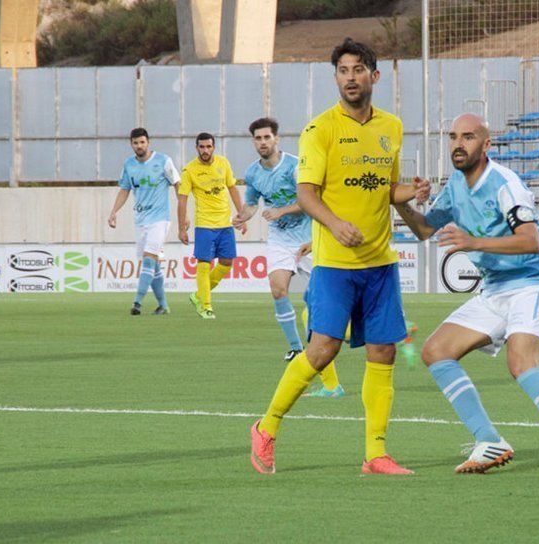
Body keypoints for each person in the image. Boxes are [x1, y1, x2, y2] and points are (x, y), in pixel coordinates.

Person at [249, 38, 430, 475]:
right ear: (336, 78)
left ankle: (375, 454)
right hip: (334, 263)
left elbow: (385, 188)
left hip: (381, 262)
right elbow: (306, 194)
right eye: (343, 70)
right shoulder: (320, 130)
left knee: (384, 352)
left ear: (374, 76)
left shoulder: (391, 126)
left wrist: (412, 192)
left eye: (358, 69)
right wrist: (335, 225)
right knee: (322, 350)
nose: (351, 77)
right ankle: (266, 427)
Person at [393, 113, 539, 478]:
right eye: (453, 137)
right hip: (495, 287)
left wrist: (473, 241)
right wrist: (403, 202)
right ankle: (488, 440)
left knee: (522, 362)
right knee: (435, 350)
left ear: (486, 144)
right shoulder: (456, 187)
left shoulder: (506, 183)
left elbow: (530, 240)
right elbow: (424, 229)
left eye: (468, 137)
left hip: (533, 282)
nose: (458, 144)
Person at [233, 117, 344, 398]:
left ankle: (335, 375)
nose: (263, 142)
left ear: (276, 139)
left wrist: (281, 211)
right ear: (254, 142)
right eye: (258, 139)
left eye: (267, 137)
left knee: (322, 305)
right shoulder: (253, 173)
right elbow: (251, 205)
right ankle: (296, 348)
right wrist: (241, 217)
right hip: (280, 240)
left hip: (309, 237)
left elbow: (310, 200)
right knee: (278, 288)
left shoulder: (295, 166)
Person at [108, 127, 181, 315]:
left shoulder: (163, 161)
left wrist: (184, 213)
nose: (139, 146)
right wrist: (114, 211)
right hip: (140, 221)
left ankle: (137, 302)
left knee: (149, 260)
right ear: (131, 144)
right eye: (135, 143)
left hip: (160, 220)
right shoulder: (129, 164)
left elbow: (178, 185)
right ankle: (163, 306)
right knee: (153, 264)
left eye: (142, 142)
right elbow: (125, 189)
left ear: (148, 142)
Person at [177, 132, 245, 320]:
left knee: (227, 263)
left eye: (208, 146)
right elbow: (182, 199)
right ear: (196, 148)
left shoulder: (223, 163)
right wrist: (181, 228)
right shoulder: (189, 170)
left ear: (214, 147)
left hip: (225, 223)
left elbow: (232, 189)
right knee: (204, 263)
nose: (205, 150)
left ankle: (198, 295)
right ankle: (205, 306)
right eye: (202, 147)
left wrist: (242, 215)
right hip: (205, 224)